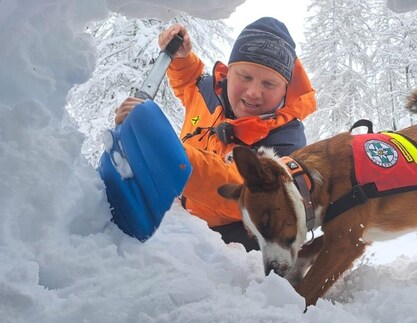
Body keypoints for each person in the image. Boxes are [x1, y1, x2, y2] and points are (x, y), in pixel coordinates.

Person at [115, 17, 316, 251]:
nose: (253, 93)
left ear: (285, 90)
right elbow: (190, 83)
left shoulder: (286, 140)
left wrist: (168, 152)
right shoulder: (210, 93)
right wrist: (181, 58)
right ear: (229, 73)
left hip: (230, 243)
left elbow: (247, 192)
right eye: (245, 76)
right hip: (178, 214)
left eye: (269, 84)